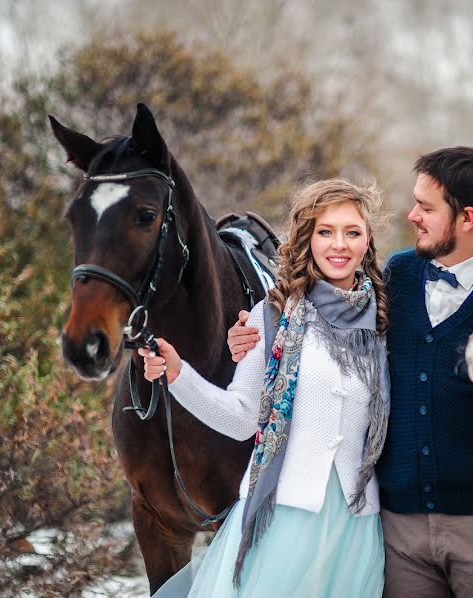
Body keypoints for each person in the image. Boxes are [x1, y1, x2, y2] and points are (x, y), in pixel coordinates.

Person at [227, 148, 473, 598]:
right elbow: (323, 317)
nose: (412, 215)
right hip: (400, 533)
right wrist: (254, 335)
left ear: (466, 217)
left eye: (426, 207)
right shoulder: (398, 275)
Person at [142, 178, 390, 597]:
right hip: (283, 518)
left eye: (352, 232)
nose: (339, 245)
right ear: (307, 239)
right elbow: (240, 417)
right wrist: (178, 374)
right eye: (325, 232)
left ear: (368, 241)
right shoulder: (273, 317)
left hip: (357, 524)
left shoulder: (383, 323)